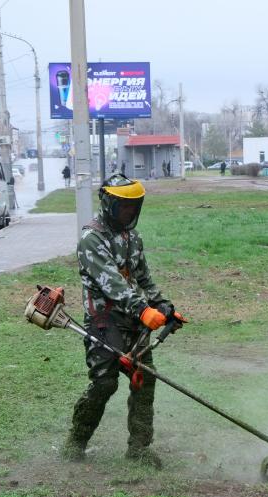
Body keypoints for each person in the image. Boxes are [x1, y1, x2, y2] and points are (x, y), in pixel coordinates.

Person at [63, 173, 185, 468]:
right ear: (109, 204)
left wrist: (163, 306)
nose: (129, 212)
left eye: (134, 206)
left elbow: (143, 279)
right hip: (103, 321)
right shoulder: (91, 239)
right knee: (105, 383)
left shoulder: (133, 238)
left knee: (145, 380)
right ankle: (76, 442)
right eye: (123, 206)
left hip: (134, 321)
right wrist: (143, 310)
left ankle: (139, 449)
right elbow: (113, 284)